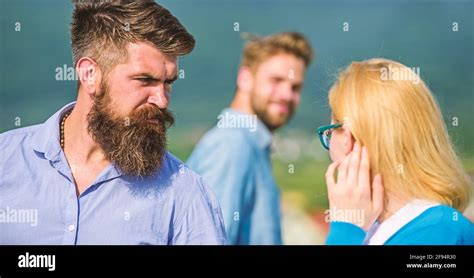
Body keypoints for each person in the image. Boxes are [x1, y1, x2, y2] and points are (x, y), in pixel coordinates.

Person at [0, 0, 226, 245]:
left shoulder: (185, 194)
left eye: (168, 82)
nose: (161, 100)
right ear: (90, 75)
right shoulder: (7, 161)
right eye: (144, 80)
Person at [317, 58, 474, 245]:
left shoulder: (438, 234)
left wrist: (344, 234)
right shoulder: (437, 227)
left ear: (348, 138)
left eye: (329, 133)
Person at [187, 32, 314, 244]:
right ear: (245, 78)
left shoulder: (252, 146)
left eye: (295, 87)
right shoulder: (231, 145)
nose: (286, 95)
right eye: (276, 80)